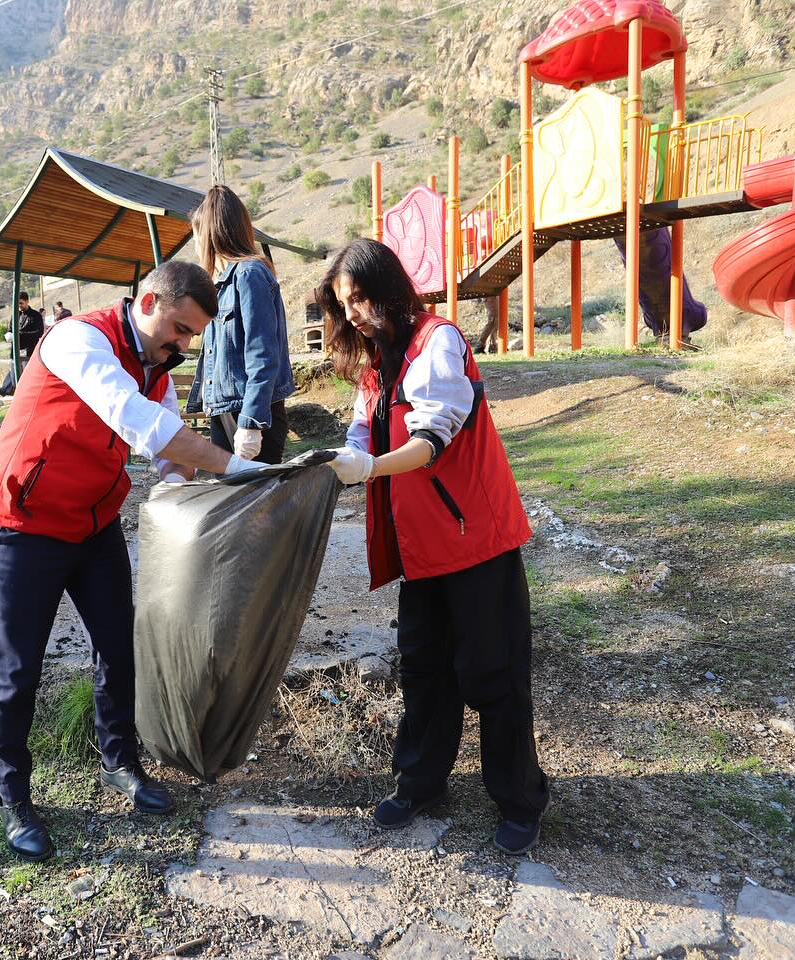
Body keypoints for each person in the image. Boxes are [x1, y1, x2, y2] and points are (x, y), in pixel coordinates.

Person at [0, 261, 257, 862]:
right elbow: (141, 424)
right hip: (26, 520)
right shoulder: (80, 340)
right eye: (179, 329)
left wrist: (183, 477)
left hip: (94, 524)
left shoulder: (160, 367)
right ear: (150, 300)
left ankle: (119, 762)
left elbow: (169, 449)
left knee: (119, 647)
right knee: (17, 668)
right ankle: (15, 797)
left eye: (190, 337)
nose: (182, 345)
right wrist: (233, 467)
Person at [317, 239, 549, 855]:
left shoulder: (437, 342)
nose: (356, 314)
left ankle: (519, 799)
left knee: (492, 671)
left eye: (361, 298)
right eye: (346, 306)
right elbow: (363, 430)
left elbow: (431, 438)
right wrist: (336, 462)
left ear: (390, 287)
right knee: (422, 669)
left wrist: (368, 469)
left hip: (476, 540)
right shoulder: (378, 364)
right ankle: (420, 781)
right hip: (422, 549)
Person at [190, 185, 296, 464]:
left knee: (256, 504)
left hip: (250, 413)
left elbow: (262, 354)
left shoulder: (249, 275)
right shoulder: (221, 283)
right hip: (225, 410)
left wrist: (251, 423)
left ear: (210, 233)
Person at [16, 293, 44, 360]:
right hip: (16, 352)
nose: (19, 305)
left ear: (27, 301)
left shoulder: (36, 315)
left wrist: (22, 334)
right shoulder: (16, 316)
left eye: (21, 303)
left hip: (30, 352)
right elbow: (11, 329)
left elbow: (39, 332)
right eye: (17, 303)